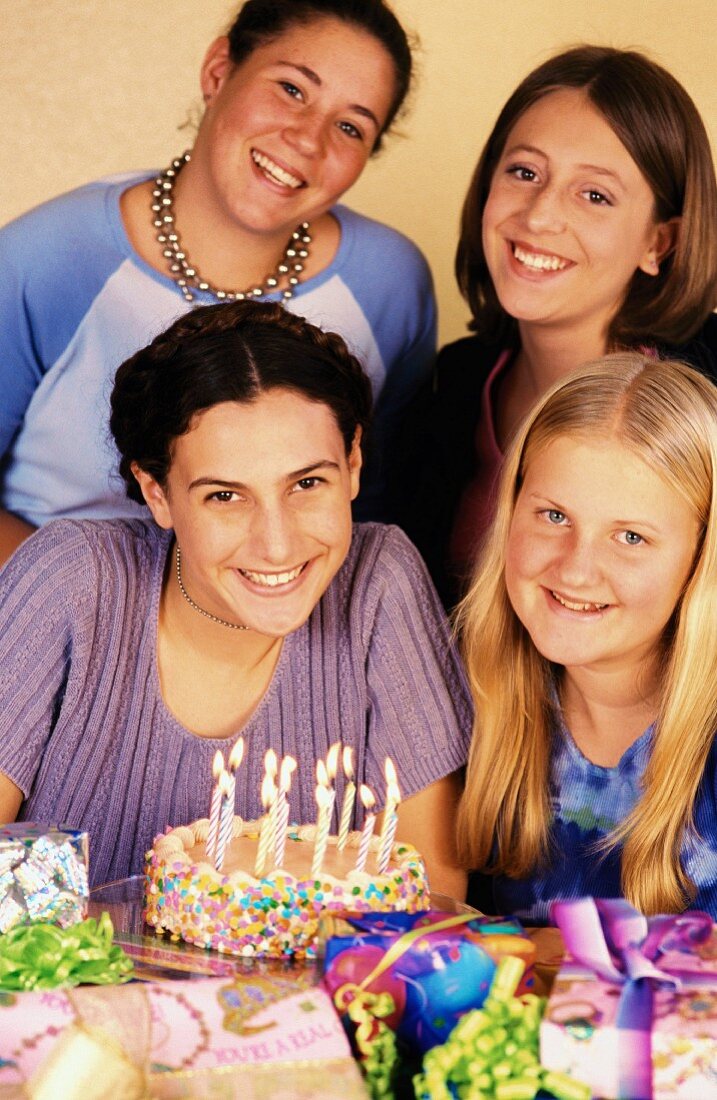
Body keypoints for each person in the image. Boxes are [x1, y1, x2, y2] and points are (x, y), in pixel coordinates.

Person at [0, 300, 470, 896]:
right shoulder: (71, 577)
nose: (277, 545)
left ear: (353, 462)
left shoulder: (380, 580)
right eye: (225, 496)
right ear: (157, 492)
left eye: (307, 483)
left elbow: (432, 897)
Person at [0, 0, 435, 567]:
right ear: (218, 71)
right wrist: (101, 610)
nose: (308, 139)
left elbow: (378, 511)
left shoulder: (390, 284)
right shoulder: (47, 256)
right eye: (292, 89)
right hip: (56, 616)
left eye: (351, 126)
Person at [397, 46, 717, 608]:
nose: (540, 214)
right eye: (524, 172)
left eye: (594, 194)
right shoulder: (454, 385)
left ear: (658, 242)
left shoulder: (710, 392)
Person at [457, 353, 717, 922]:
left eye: (630, 536)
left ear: (700, 559)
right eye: (554, 516)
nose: (576, 570)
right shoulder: (465, 695)